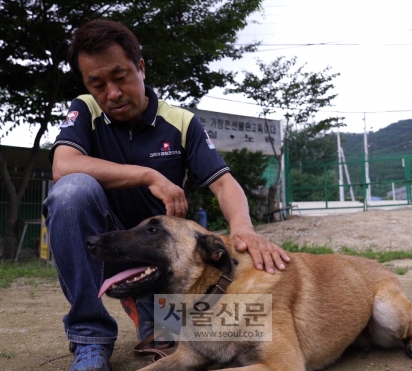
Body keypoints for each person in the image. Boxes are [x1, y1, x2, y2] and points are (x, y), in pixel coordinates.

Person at [43, 19, 290, 371]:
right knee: (71, 192)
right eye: (96, 84)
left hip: (166, 264)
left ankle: (148, 307)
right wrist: (148, 175)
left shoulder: (180, 122)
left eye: (120, 77)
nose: (111, 93)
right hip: (107, 247)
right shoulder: (85, 109)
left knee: (189, 349)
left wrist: (243, 228)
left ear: (140, 68)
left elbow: (223, 183)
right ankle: (90, 338)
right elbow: (63, 166)